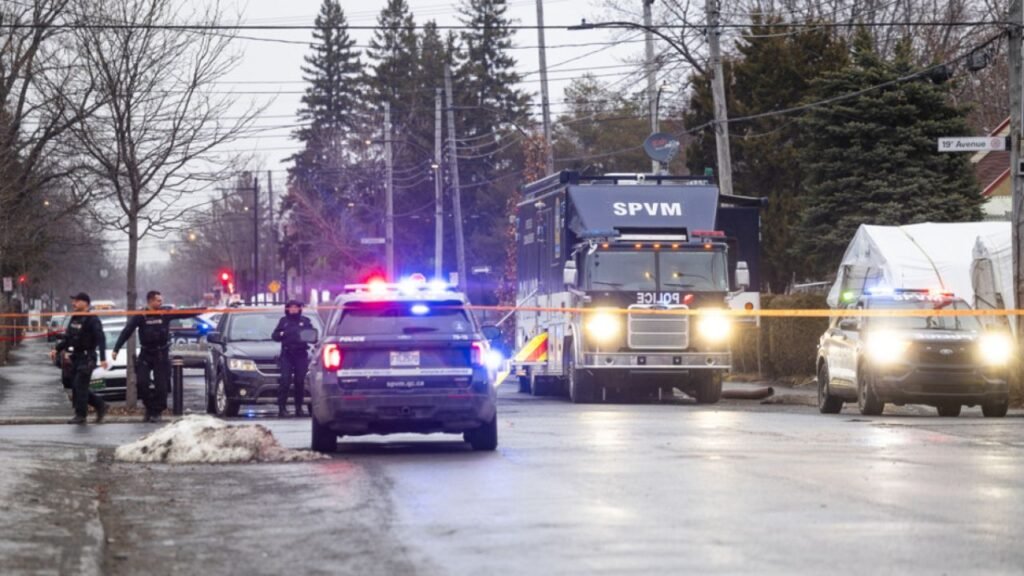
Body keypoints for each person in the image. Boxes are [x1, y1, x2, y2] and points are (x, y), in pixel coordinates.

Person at [112, 290, 193, 423]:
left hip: (161, 353)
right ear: (150, 301)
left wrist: (203, 311)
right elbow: (127, 331)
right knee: (142, 383)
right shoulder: (141, 315)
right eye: (158, 301)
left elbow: (184, 314)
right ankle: (149, 407)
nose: (161, 303)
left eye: (161, 300)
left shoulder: (164, 313)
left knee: (161, 387)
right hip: (146, 353)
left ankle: (157, 411)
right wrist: (116, 349)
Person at [50, 293, 109, 425]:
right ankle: (100, 404)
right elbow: (68, 337)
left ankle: (80, 415)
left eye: (77, 301)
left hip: (88, 357)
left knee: (80, 385)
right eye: (73, 301)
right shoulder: (75, 318)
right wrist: (57, 349)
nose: (73, 304)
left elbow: (101, 339)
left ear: (86, 303)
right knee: (75, 387)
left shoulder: (92, 319)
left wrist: (103, 358)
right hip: (76, 357)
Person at [272, 300, 314, 418]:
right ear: (287, 309)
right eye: (291, 307)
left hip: (301, 354)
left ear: (300, 309)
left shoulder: (305, 321)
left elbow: (313, 336)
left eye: (296, 307)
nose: (294, 309)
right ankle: (282, 408)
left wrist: (309, 336)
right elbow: (275, 336)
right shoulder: (283, 321)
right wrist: (282, 334)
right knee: (285, 380)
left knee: (300, 381)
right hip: (287, 354)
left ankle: (299, 408)